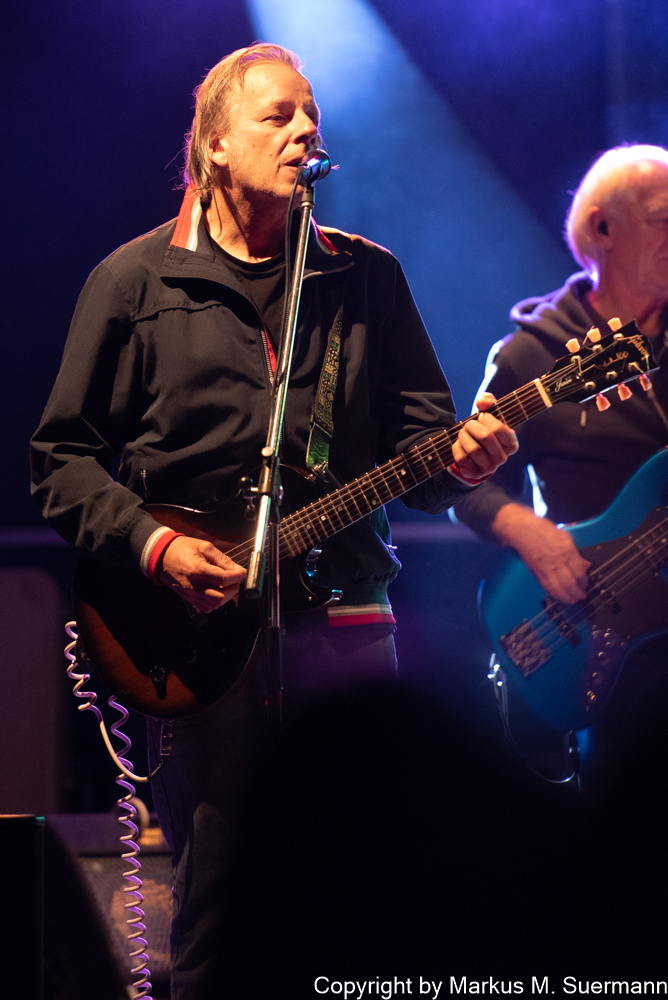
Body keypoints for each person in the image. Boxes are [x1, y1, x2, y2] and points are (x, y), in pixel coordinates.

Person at [30, 44, 517, 997]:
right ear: (215, 144)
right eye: (277, 116)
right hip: (193, 638)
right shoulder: (134, 282)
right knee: (220, 908)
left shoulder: (365, 276)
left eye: (311, 118)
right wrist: (157, 547)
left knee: (366, 893)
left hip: (345, 622)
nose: (304, 132)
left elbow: (424, 460)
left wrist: (464, 461)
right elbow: (61, 462)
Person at [455, 144, 668, 788]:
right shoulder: (533, 354)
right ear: (603, 228)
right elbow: (465, 484)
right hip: (601, 634)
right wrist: (531, 534)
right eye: (664, 217)